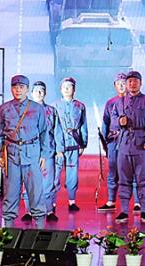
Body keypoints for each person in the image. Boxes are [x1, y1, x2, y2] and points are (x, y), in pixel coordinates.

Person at [0, 75, 55, 227]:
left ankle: (39, 232)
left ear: (27, 89)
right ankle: (9, 233)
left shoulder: (37, 108)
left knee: (36, 194)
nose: (18, 90)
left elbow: (44, 132)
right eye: (15, 87)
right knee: (10, 195)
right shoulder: (4, 108)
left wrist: (44, 155)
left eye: (21, 87)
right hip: (12, 156)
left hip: (32, 155)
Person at [107, 69, 145, 223]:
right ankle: (124, 211)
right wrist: (119, 122)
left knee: (143, 180)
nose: (132, 83)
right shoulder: (119, 102)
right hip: (124, 144)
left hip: (141, 145)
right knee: (124, 180)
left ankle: (144, 211)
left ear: (140, 83)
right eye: (129, 81)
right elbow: (113, 121)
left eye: (135, 81)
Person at [20, 81, 59, 222]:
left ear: (45, 93)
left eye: (42, 90)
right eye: (36, 90)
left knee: (48, 182)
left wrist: (59, 149)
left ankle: (49, 211)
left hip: (48, 150)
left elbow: (57, 131)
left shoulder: (51, 111)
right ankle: (29, 211)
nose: (39, 93)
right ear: (31, 93)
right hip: (30, 151)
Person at [98, 74, 136, 211]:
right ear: (114, 86)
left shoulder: (135, 101)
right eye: (118, 83)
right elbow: (105, 123)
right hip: (113, 141)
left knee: (131, 171)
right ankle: (111, 201)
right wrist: (105, 143)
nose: (121, 85)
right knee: (113, 171)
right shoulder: (110, 103)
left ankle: (137, 203)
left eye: (123, 83)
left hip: (129, 141)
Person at [52, 77, 88, 214]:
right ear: (60, 89)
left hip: (74, 144)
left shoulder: (80, 106)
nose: (67, 89)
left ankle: (72, 201)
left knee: (72, 174)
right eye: (64, 87)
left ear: (74, 89)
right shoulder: (54, 106)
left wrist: (83, 143)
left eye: (69, 86)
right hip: (58, 146)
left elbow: (83, 125)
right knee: (55, 174)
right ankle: (52, 202)